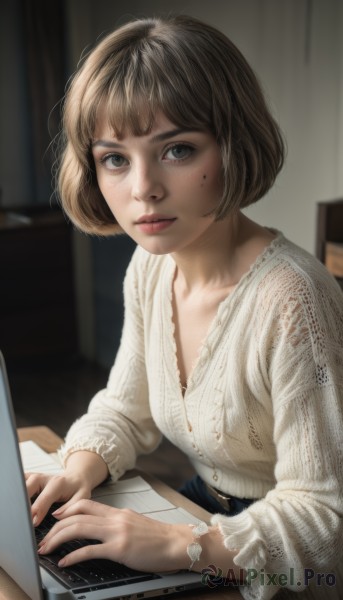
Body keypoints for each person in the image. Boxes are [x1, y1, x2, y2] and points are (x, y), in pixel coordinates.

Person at [25, 14, 343, 600]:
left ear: (234, 143)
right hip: (196, 513)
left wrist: (179, 547)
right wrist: (77, 467)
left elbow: (325, 518)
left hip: (294, 570)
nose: (143, 187)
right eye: (114, 158)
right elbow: (127, 406)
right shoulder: (151, 266)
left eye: (177, 149)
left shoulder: (295, 300)